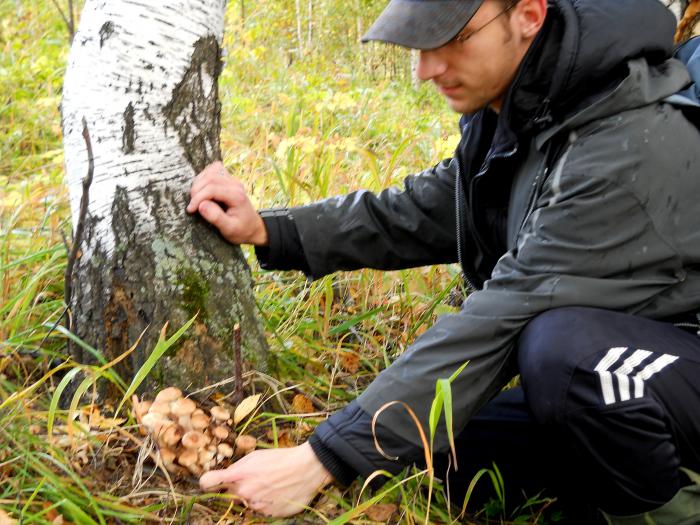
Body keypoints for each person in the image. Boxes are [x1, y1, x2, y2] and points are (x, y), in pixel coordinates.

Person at [188, 0, 700, 522]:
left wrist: (324, 457)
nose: (425, 69)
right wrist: (274, 230)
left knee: (564, 355)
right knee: (451, 454)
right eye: (419, 44)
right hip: (646, 366)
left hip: (663, 358)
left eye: (453, 39)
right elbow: (434, 205)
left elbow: (505, 314)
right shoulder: (533, 103)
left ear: (528, 15)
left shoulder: (625, 143)